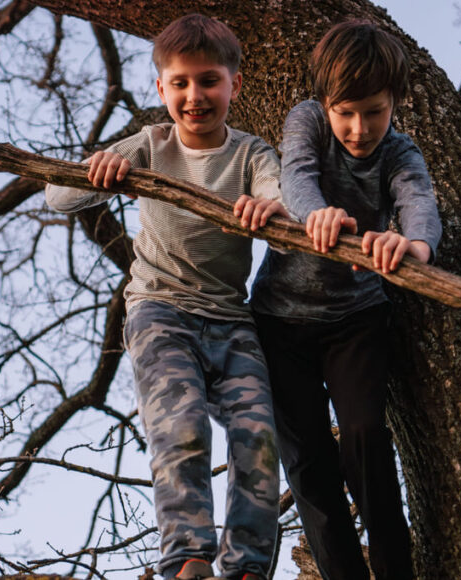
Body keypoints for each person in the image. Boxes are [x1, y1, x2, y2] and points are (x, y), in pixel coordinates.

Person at [45, 14, 284, 580]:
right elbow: (57, 195)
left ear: (235, 85)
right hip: (160, 311)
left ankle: (249, 566)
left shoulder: (251, 155)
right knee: (181, 429)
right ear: (161, 89)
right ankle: (188, 560)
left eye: (209, 81)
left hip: (232, 320)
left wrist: (271, 209)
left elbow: (284, 198)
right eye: (179, 83)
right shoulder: (150, 144)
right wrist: (101, 169)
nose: (194, 96)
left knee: (259, 439)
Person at [250, 19, 442, 580]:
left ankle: (395, 568)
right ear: (326, 103)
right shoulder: (306, 120)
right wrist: (318, 214)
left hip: (355, 320)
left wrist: (414, 245)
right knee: (308, 464)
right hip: (280, 322)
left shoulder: (400, 153)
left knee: (364, 437)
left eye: (374, 112)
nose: (359, 129)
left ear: (395, 104)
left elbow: (419, 205)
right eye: (346, 112)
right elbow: (298, 178)